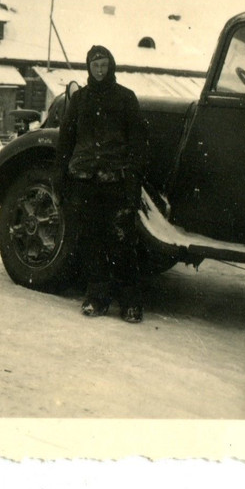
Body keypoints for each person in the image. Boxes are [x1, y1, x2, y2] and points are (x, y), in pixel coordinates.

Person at [54, 45, 148, 323]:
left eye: (104, 65)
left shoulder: (125, 98)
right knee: (92, 241)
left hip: (116, 181)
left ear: (111, 66)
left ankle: (130, 302)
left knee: (121, 240)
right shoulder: (80, 100)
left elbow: (138, 144)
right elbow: (66, 141)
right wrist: (59, 175)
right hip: (85, 181)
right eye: (95, 65)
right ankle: (96, 297)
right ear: (88, 68)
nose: (99, 70)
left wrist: (132, 181)